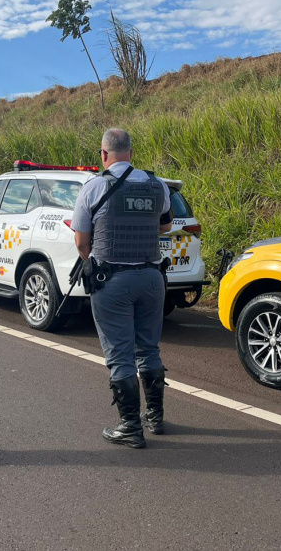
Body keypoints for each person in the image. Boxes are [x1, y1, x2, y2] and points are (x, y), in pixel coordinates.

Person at [71, 128, 173, 449]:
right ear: (131, 152)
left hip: (112, 281)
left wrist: (100, 264)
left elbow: (81, 241)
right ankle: (154, 417)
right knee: (149, 348)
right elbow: (165, 224)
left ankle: (130, 425)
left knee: (120, 355)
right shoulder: (158, 186)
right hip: (152, 278)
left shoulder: (94, 187)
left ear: (103, 154)